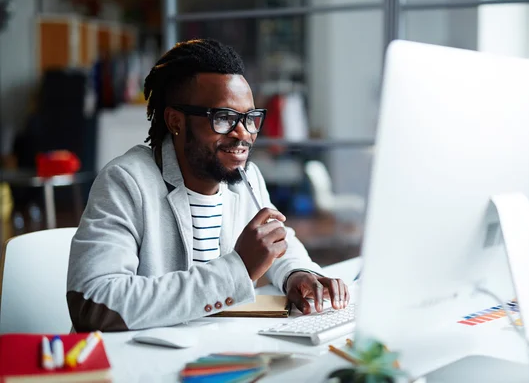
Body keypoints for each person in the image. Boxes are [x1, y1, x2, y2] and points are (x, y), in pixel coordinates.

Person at [66, 39, 350, 332]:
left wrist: (298, 273)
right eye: (224, 118)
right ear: (175, 121)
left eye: (250, 118)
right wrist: (237, 269)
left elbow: (277, 241)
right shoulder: (125, 182)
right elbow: (93, 303)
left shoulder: (246, 177)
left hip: (214, 351)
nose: (244, 134)